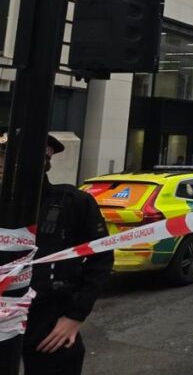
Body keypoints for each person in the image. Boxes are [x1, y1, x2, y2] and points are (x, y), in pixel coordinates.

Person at [22, 135, 113, 375]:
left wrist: (74, 316)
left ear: (44, 162)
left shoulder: (73, 203)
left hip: (47, 319)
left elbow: (101, 259)